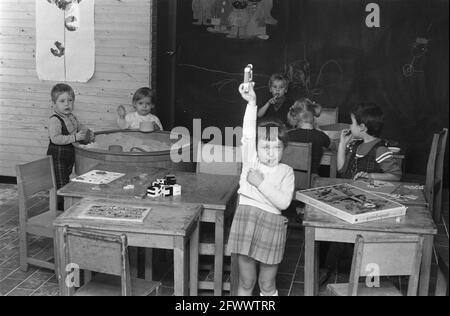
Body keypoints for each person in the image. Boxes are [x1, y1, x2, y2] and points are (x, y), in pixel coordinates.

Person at [227, 81, 295, 296]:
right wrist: (252, 102)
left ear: (284, 148)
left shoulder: (286, 171)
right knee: (246, 283)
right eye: (266, 147)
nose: (272, 153)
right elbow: (248, 132)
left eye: (277, 147)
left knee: (267, 284)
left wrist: (260, 183)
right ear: (256, 148)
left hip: (272, 227)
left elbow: (284, 202)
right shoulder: (251, 163)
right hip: (246, 221)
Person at [46, 83, 88, 209]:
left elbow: (79, 127)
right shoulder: (55, 120)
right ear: (54, 104)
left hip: (68, 156)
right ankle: (59, 209)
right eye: (62, 101)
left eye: (70, 100)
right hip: (57, 158)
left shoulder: (72, 117)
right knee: (60, 184)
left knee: (66, 180)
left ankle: (65, 205)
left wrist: (86, 132)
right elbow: (55, 138)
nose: (67, 104)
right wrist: (75, 137)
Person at [337, 103, 401, 181]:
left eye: (352, 123)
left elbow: (396, 175)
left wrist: (370, 176)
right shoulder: (354, 146)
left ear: (362, 127)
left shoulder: (380, 150)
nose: (350, 126)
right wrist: (342, 144)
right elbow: (341, 170)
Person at [287, 98, 331, 176]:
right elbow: (333, 146)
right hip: (312, 178)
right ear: (313, 115)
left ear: (296, 116)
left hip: (290, 177)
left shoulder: (288, 135)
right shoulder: (321, 136)